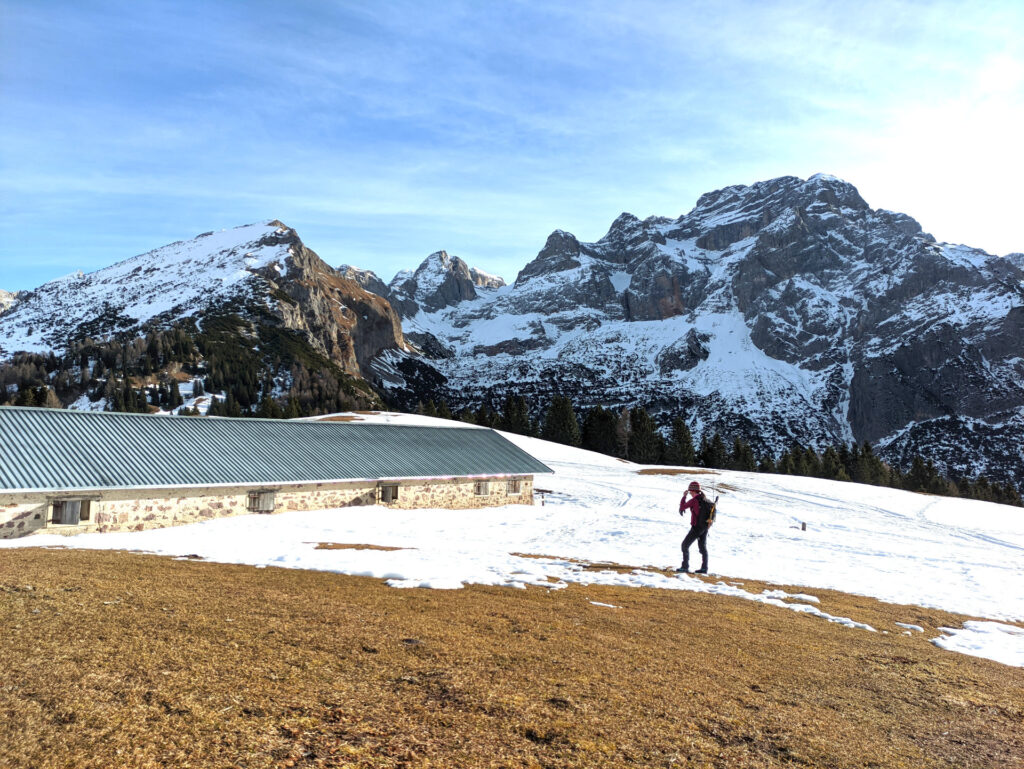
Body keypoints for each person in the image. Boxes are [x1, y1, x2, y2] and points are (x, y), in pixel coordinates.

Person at [677, 480, 710, 574]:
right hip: (705, 527)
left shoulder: (694, 500)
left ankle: (685, 567)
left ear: (693, 491)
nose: (690, 493)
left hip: (696, 527)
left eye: (690, 491)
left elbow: (682, 507)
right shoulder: (705, 500)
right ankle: (704, 568)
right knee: (703, 548)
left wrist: (684, 496)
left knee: (685, 545)